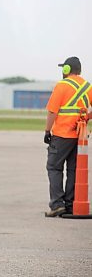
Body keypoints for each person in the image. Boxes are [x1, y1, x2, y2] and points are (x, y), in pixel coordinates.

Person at [44, 56, 92, 217]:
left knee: (54, 167)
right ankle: (71, 204)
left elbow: (52, 111)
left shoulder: (62, 86)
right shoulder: (88, 87)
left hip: (61, 134)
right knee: (73, 169)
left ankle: (57, 204)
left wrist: (47, 131)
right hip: (79, 137)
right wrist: (83, 120)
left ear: (66, 70)